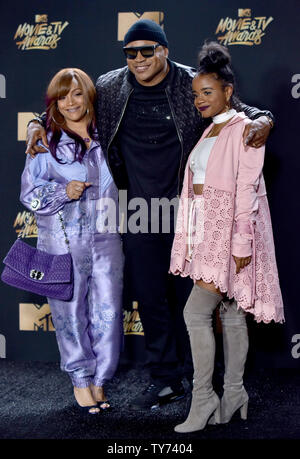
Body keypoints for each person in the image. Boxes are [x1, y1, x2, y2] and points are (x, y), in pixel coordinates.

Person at [25, 20, 275, 411]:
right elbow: (69, 104)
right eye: (131, 52)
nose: (138, 59)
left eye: (147, 50)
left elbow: (242, 109)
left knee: (190, 301)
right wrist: (36, 123)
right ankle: (165, 379)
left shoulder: (191, 83)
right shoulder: (110, 85)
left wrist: (264, 119)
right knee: (149, 297)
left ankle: (202, 380)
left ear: (164, 50)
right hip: (138, 211)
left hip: (188, 212)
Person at [169, 41, 284, 433]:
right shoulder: (209, 132)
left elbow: (247, 193)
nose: (201, 100)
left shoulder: (245, 130)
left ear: (228, 92)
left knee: (194, 313)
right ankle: (234, 393)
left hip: (230, 238)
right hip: (207, 236)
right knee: (231, 314)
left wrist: (240, 246)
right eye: (196, 94)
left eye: (208, 92)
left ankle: (205, 399)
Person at [20, 68, 124, 414]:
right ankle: (80, 379)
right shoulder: (45, 143)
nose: (70, 103)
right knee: (68, 314)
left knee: (107, 312)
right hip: (62, 243)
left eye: (77, 94)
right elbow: (29, 193)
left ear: (89, 96)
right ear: (54, 102)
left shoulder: (109, 134)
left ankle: (100, 379)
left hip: (108, 240)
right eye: (62, 97)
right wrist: (62, 191)